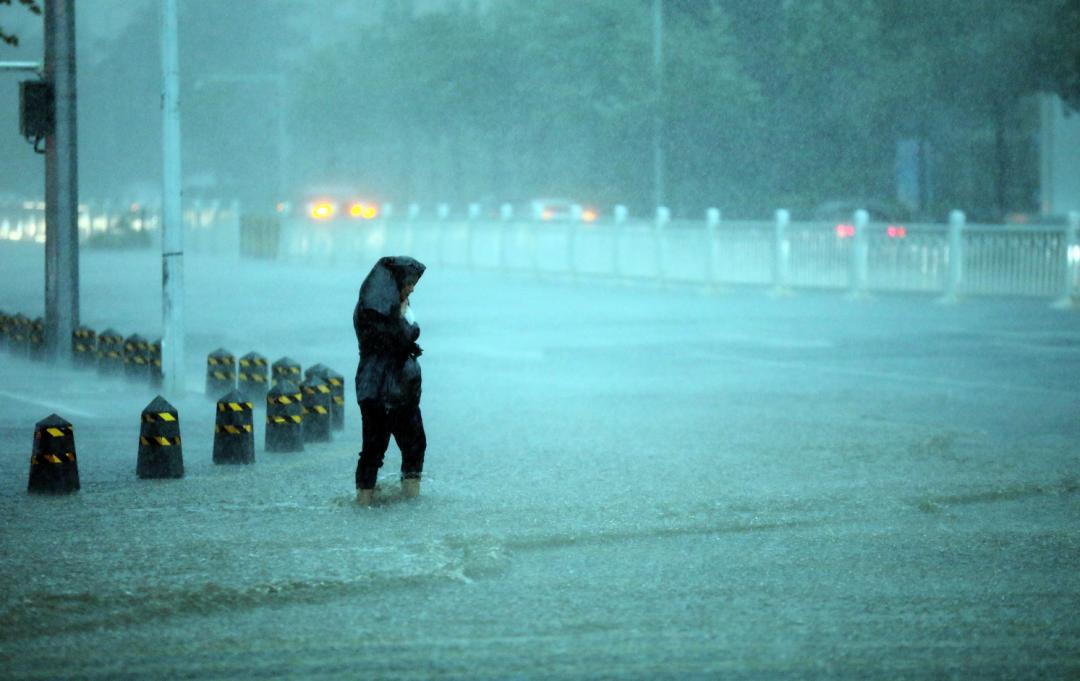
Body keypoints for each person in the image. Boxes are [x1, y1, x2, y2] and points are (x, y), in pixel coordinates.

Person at [352, 256, 427, 506]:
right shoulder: (387, 312)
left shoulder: (369, 306)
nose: (412, 288)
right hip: (394, 393)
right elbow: (402, 339)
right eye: (409, 283)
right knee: (413, 446)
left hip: (371, 389)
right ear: (394, 283)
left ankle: (364, 502)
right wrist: (407, 319)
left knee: (372, 451)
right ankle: (411, 503)